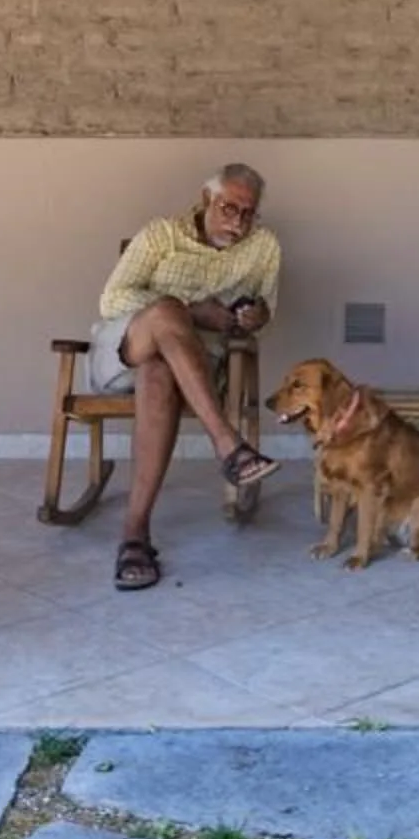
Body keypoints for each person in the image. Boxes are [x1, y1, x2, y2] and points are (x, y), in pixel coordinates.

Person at [89, 164, 285, 590]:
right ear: (205, 200)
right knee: (166, 313)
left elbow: (265, 315)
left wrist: (255, 316)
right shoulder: (162, 235)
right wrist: (190, 311)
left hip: (188, 370)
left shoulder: (264, 247)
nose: (237, 222)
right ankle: (227, 443)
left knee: (159, 372)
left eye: (247, 213)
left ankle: (135, 536)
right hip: (123, 351)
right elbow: (112, 299)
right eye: (228, 208)